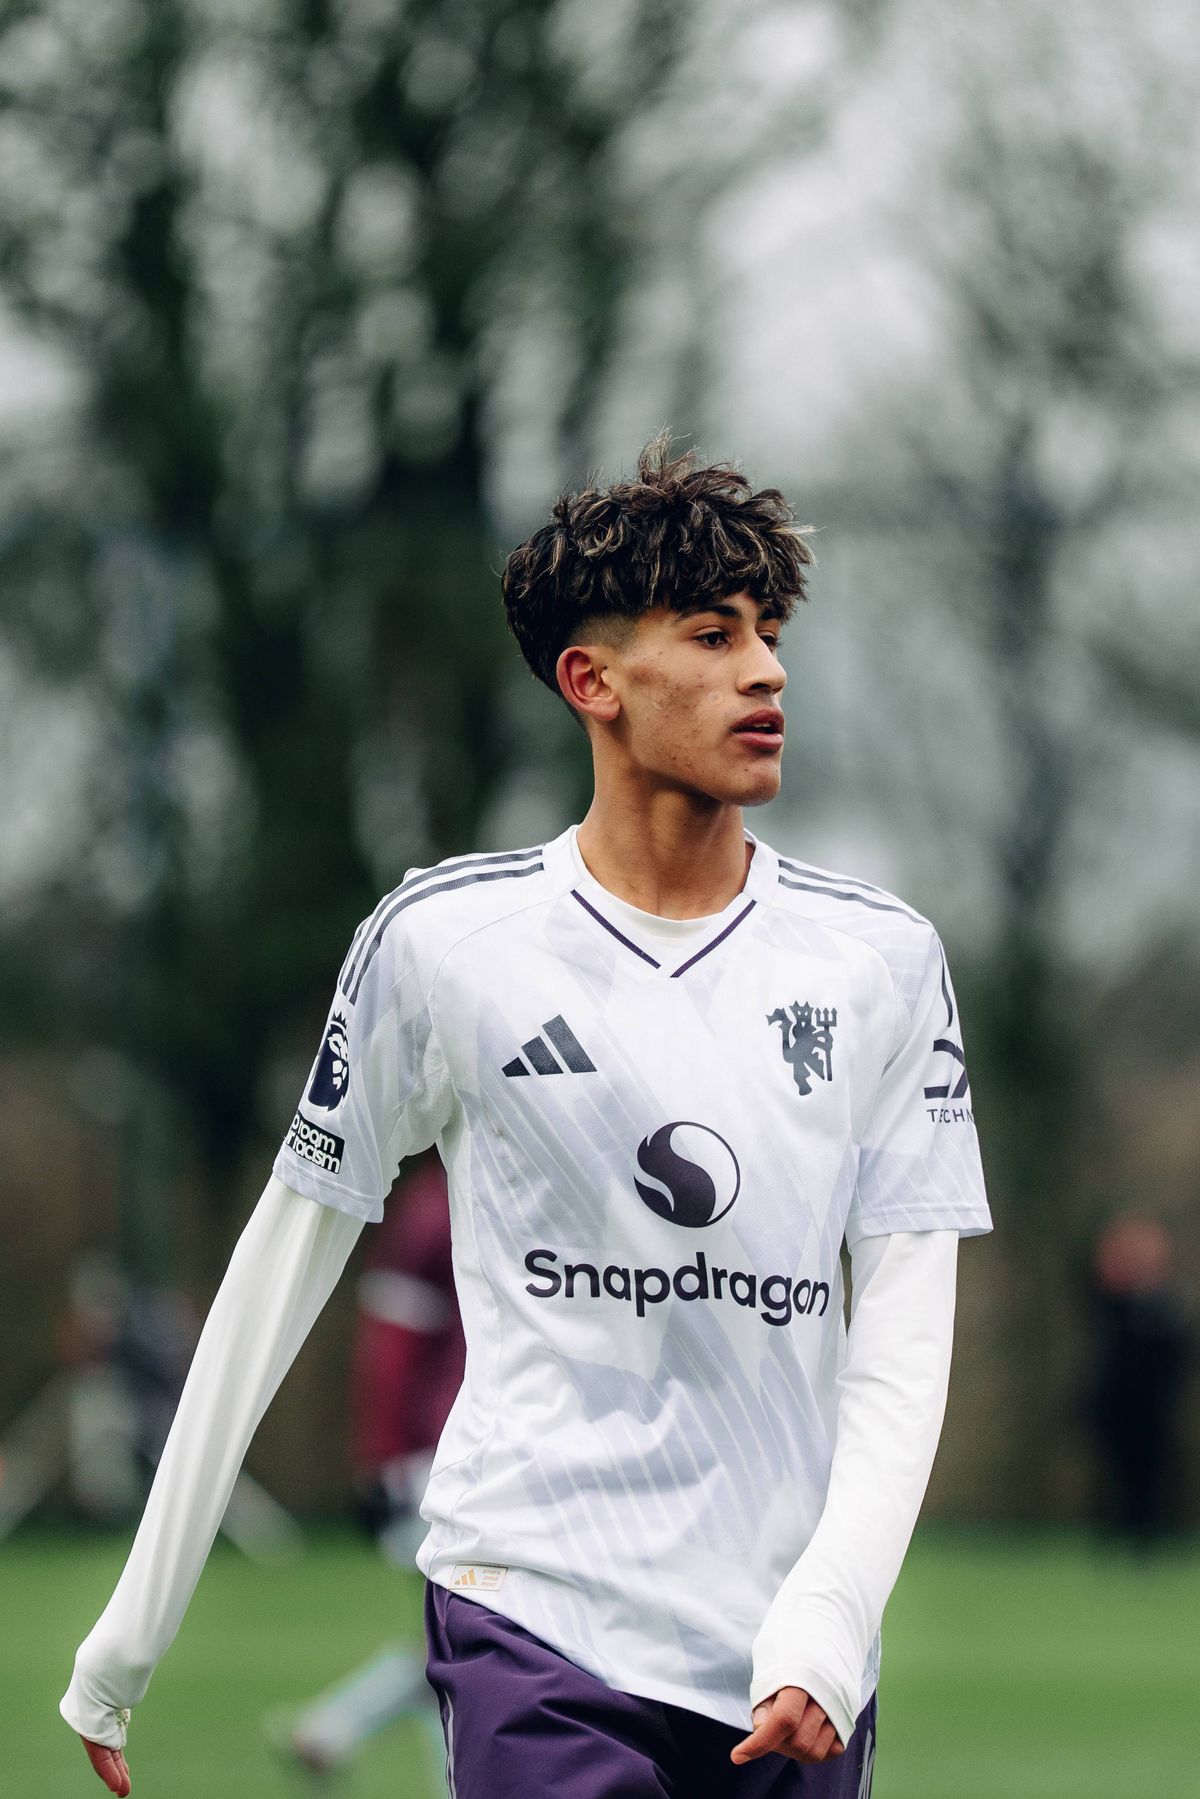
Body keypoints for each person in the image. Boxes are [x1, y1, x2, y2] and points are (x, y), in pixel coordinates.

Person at [62, 438, 992, 1798]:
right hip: (534, 1613)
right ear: (591, 679)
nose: (768, 669)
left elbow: (905, 1337)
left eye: (772, 634)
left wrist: (832, 1614)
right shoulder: (446, 942)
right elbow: (281, 1264)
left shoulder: (881, 961)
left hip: (792, 1657)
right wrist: (128, 1634)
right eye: (715, 633)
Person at [277, 1152, 463, 1776]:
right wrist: (383, 1459)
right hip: (442, 1459)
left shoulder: (456, 1196)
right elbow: (391, 1349)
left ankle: (330, 1729)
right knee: (464, 1643)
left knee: (464, 1641)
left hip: (480, 1451)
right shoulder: (434, 1208)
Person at [1083, 1214, 1193, 1547]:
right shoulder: (1109, 1306)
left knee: (1152, 1475)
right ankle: (1119, 1531)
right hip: (1116, 1408)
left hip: (1153, 1409)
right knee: (1117, 1474)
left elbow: (1179, 1355)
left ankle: (1150, 1533)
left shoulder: (1165, 1311)